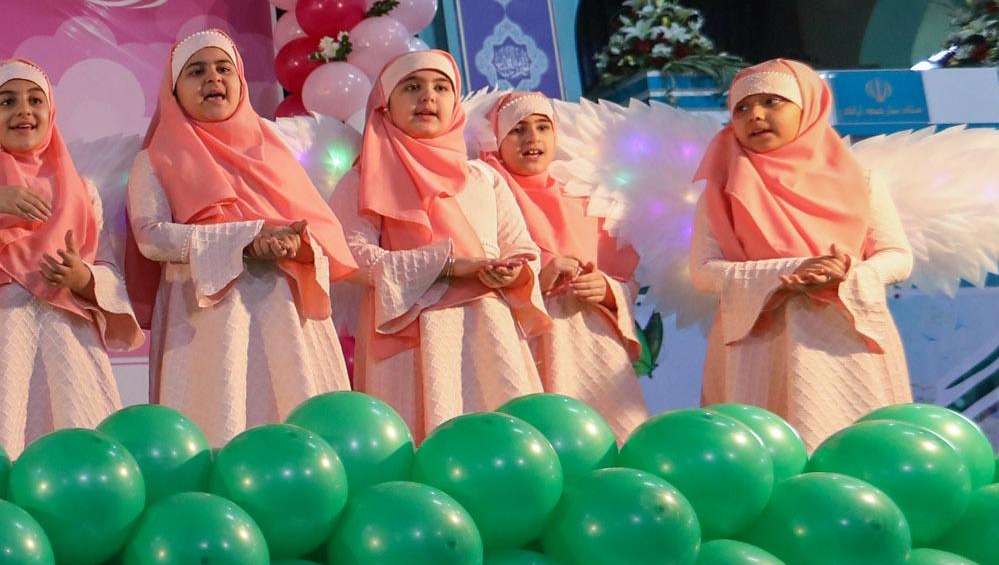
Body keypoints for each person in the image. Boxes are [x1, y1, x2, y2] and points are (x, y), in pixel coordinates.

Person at [124, 30, 353, 442]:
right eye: (197, 71)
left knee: (299, 430)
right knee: (216, 432)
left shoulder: (274, 151)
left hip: (286, 316)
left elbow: (318, 230)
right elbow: (152, 238)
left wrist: (294, 243)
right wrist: (245, 239)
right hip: (205, 322)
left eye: (223, 69)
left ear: (240, 82)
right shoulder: (156, 159)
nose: (213, 78)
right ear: (174, 92)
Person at [0, 59, 139, 449]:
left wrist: (82, 278)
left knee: (79, 444)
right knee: (1, 445)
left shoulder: (82, 190)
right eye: (7, 101)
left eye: (36, 100)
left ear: (51, 112)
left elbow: (105, 267)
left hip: (70, 340)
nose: (24, 111)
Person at [689, 57, 914, 444]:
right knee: (766, 452)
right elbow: (703, 271)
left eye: (771, 102)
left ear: (809, 108)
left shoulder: (862, 180)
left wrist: (847, 272)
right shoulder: (722, 190)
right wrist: (789, 273)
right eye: (741, 108)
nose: (755, 115)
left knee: (860, 448)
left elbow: (897, 256)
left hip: (846, 333)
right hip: (759, 337)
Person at [336, 48, 545, 437]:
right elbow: (350, 255)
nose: (428, 97)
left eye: (441, 87)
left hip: (489, 327)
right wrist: (447, 266)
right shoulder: (362, 180)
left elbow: (523, 248)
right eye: (412, 87)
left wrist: (512, 270)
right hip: (409, 337)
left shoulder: (484, 178)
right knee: (421, 444)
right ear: (385, 105)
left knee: (506, 438)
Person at [482, 92, 649, 440]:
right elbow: (478, 278)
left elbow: (625, 281)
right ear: (498, 139)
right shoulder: (486, 197)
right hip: (526, 340)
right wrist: (537, 282)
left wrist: (607, 290)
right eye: (517, 129)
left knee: (613, 439)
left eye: (543, 127)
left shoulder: (583, 198)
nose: (532, 138)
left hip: (591, 340)